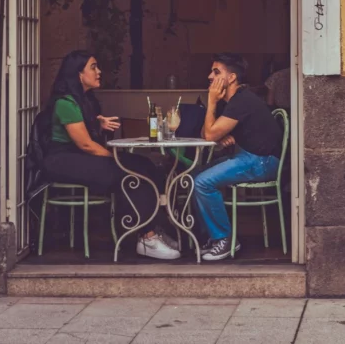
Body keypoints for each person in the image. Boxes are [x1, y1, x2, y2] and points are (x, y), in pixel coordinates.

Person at [41, 50, 181, 260]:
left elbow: (84, 132)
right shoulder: (65, 103)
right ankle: (146, 237)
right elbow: (86, 145)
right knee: (130, 175)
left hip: (79, 156)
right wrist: (115, 159)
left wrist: (99, 124)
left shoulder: (84, 100)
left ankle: (154, 226)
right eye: (93, 67)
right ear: (79, 74)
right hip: (63, 160)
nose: (99, 72)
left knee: (145, 165)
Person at [193, 53, 284, 260]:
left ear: (232, 77)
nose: (209, 76)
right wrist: (219, 135)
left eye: (216, 72)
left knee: (202, 182)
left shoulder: (241, 101)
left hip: (261, 161)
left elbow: (208, 134)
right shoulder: (233, 101)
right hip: (247, 157)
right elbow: (206, 133)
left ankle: (225, 240)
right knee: (192, 176)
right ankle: (211, 236)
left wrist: (211, 103)